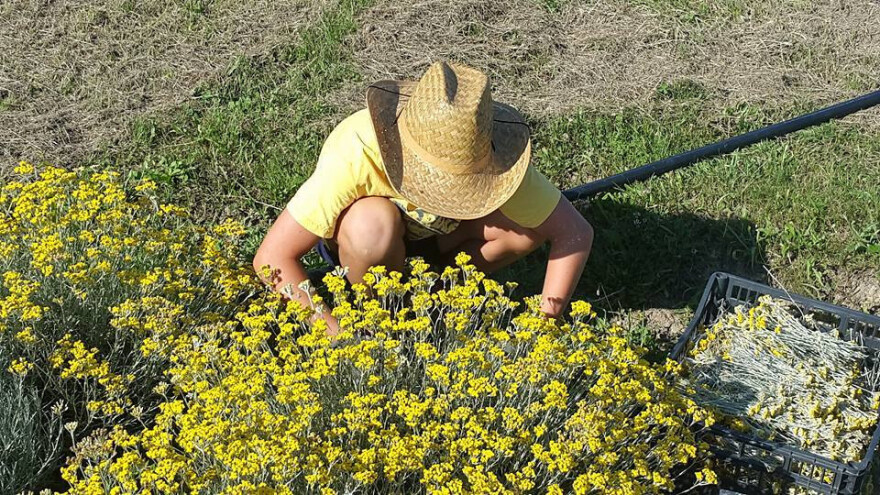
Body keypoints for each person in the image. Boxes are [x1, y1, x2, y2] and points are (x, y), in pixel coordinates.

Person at [253, 61, 594, 337]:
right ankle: (376, 313)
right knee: (372, 225)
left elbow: (574, 232)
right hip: (366, 245)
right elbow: (272, 257)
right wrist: (335, 336)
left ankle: (431, 294)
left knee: (525, 228)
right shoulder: (357, 150)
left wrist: (545, 326)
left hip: (439, 243)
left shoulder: (491, 159)